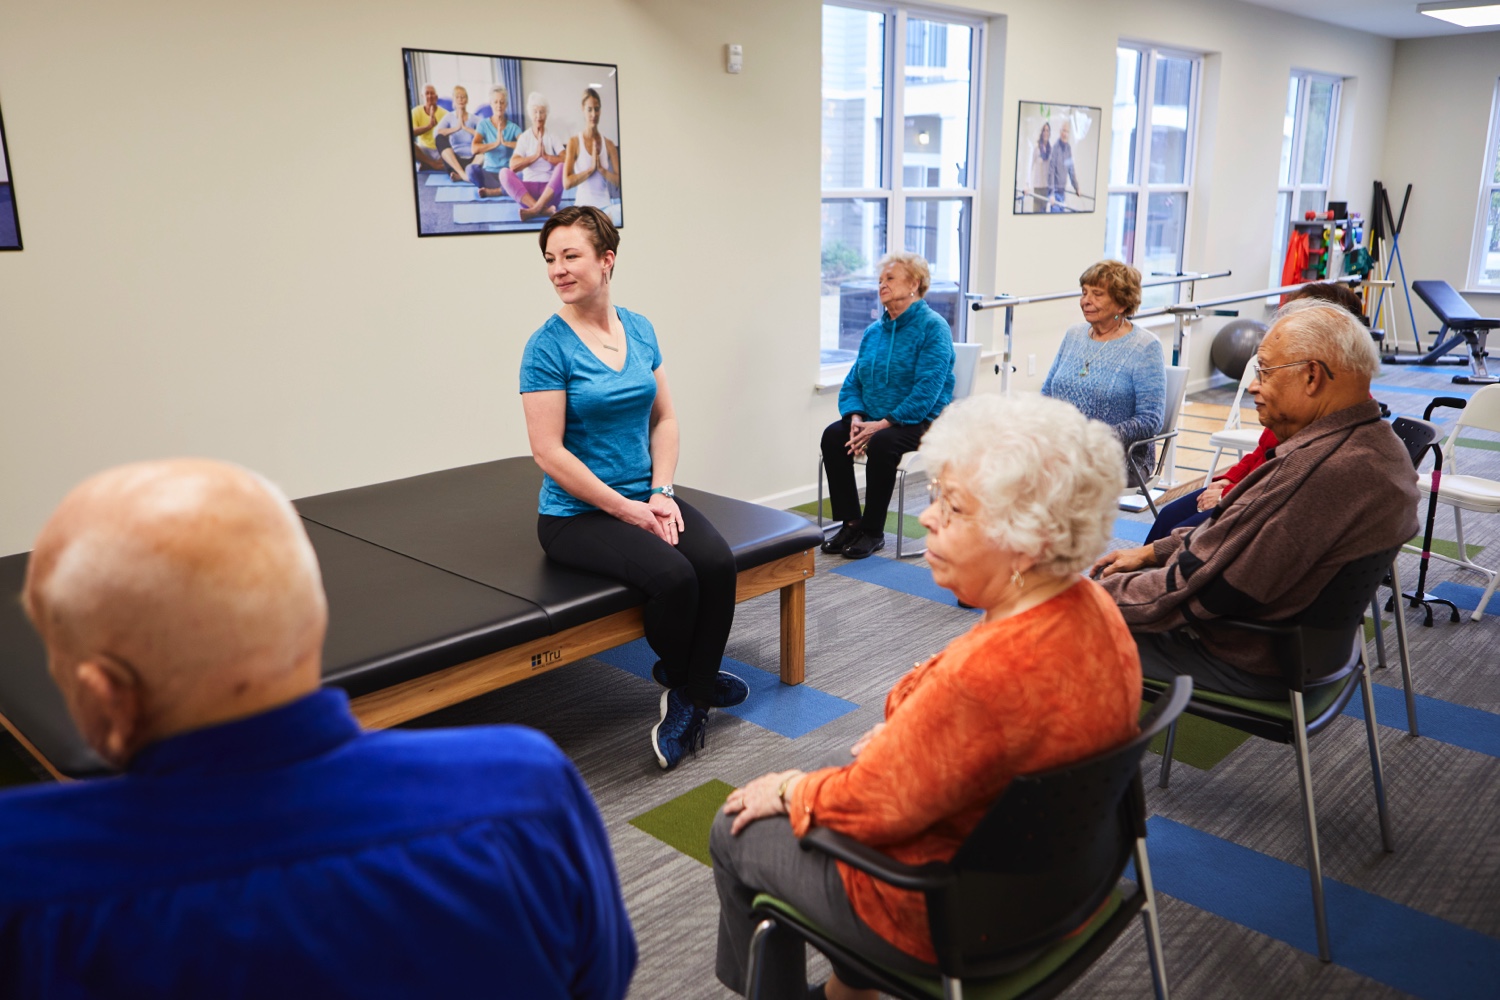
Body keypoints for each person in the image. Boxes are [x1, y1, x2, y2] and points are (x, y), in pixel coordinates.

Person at [0, 459, 637, 999]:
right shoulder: (526, 785)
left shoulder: (24, 874)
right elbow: (600, 979)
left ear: (102, 694)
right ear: (316, 617)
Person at [712, 394, 1143, 999]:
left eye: (954, 506)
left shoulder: (985, 673)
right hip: (1070, 880)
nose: (928, 519)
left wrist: (786, 788)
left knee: (734, 825)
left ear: (1026, 541)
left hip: (952, 915)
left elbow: (872, 804)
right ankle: (847, 992)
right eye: (936, 496)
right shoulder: (1095, 606)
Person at [1093, 301, 1419, 699]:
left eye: (1264, 370)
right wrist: (1152, 553)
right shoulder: (1370, 444)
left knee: (1051, 634)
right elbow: (1238, 532)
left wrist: (1081, 599)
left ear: (1312, 376)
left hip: (1243, 652)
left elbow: (1205, 591)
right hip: (1309, 647)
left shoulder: (1324, 474)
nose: (1252, 385)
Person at [519, 206, 747, 770]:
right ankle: (695, 688)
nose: (558, 270)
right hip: (577, 514)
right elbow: (548, 451)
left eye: (571, 256)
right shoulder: (546, 347)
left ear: (607, 260)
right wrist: (626, 509)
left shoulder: (639, 329)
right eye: (551, 259)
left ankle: (687, 687)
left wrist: (662, 492)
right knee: (673, 578)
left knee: (716, 562)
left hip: (645, 493)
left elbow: (665, 418)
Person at [1143, 280, 1375, 543]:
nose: (1255, 387)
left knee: (1179, 539)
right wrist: (1227, 480)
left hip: (1255, 507)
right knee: (1168, 517)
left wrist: (1230, 492)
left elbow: (1279, 487)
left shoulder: (1330, 420)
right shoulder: (1300, 403)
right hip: (1248, 493)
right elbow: (1262, 454)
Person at [820, 252, 955, 559]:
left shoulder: (933, 328)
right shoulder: (874, 332)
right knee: (832, 436)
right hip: (873, 418)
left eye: (890, 279)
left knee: (882, 444)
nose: (882, 285)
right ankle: (851, 523)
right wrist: (855, 417)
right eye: (880, 280)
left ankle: (872, 531)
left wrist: (881, 424)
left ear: (914, 284)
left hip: (922, 420)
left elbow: (928, 390)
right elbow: (854, 381)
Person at [1042, 259, 1166, 483]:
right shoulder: (1074, 335)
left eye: (1097, 294)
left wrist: (1095, 438)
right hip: (1063, 450)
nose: (1085, 301)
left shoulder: (1145, 346)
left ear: (1121, 303)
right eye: (1084, 292)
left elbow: (1151, 420)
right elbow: (1047, 393)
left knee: (1051, 478)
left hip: (1121, 458)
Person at [500, 91, 566, 220]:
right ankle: (542, 210)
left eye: (542, 112)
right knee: (504, 173)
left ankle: (535, 210)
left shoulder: (553, 136)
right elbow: (513, 166)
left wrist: (546, 156)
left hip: (549, 192)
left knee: (563, 166)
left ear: (546, 114)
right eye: (535, 112)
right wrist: (535, 156)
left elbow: (566, 160)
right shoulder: (525, 137)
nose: (539, 116)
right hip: (527, 194)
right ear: (531, 114)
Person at [564, 88, 621, 215]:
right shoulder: (574, 142)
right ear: (583, 110)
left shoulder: (609, 144)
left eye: (597, 109)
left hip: (605, 208)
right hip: (582, 209)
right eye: (589, 109)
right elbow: (566, 183)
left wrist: (601, 170)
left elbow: (618, 181)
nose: (593, 114)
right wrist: (591, 169)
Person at [469, 84, 522, 195]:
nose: (499, 106)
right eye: (496, 102)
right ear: (491, 104)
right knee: (471, 170)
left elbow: (525, 146)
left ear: (506, 105)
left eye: (502, 102)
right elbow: (474, 149)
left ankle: (495, 191)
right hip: (489, 173)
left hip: (507, 174)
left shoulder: (513, 127)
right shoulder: (483, 125)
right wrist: (496, 143)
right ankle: (505, 189)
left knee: (524, 174)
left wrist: (506, 143)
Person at [433, 84, 481, 183]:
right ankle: (464, 175)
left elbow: (486, 134)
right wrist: (456, 128)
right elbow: (436, 133)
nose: (460, 99)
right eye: (457, 97)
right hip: (455, 161)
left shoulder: (474, 119)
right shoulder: (449, 117)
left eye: (463, 97)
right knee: (439, 138)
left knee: (486, 143)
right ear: (454, 100)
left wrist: (466, 128)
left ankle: (465, 174)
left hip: (473, 161)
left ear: (467, 100)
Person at [410, 83, 447, 172]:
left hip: (439, 151)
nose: (430, 96)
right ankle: (432, 164)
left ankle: (430, 164)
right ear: (422, 96)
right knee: (408, 142)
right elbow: (411, 132)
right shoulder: (415, 112)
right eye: (427, 93)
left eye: (432, 93)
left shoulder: (445, 114)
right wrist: (429, 126)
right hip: (424, 151)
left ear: (436, 97)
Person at [1045, 118, 1079, 212]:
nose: (1065, 134)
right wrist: (1051, 193)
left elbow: (1071, 169)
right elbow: (1051, 172)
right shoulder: (1055, 148)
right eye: (1064, 130)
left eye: (1067, 131)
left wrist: (1076, 187)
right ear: (1060, 131)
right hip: (1055, 192)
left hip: (1062, 191)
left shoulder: (1068, 149)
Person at [1027, 120, 1051, 212]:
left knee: (1043, 214)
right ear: (1041, 132)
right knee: (1036, 212)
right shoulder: (1036, 148)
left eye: (1047, 130)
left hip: (1046, 188)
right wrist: (1027, 184)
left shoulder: (1050, 149)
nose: (1046, 132)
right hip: (1037, 188)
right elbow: (1030, 167)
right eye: (1044, 130)